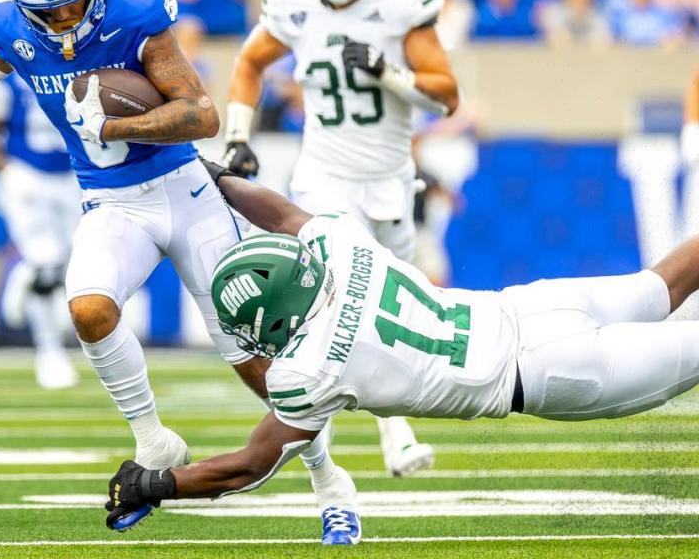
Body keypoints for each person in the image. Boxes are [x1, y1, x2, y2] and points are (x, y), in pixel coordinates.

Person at [0, 0, 361, 544]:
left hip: (188, 194)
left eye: (72, 2)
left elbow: (202, 115)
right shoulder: (13, 24)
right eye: (48, 10)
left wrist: (118, 127)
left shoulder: (135, 15)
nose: (64, 21)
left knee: (259, 360)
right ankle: (154, 439)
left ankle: (329, 479)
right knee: (90, 310)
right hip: (112, 203)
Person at [105, 159, 699, 542]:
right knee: (667, 281)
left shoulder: (308, 370)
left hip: (551, 373)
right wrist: (214, 174)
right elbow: (284, 214)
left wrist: (158, 486)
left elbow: (248, 467)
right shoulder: (341, 247)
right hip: (530, 307)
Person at [222, 0, 458, 480]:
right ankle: (350, 443)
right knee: (334, 299)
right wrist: (237, 135)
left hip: (390, 180)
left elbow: (445, 98)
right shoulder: (294, 1)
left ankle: (385, 422)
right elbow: (251, 62)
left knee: (398, 305)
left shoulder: (401, 2)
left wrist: (388, 74)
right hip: (323, 179)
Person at [0, 74, 81, 389]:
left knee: (76, 263)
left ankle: (26, 273)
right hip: (28, 176)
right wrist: (9, 173)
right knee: (46, 259)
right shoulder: (7, 71)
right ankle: (50, 352)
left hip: (76, 175)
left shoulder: (80, 57)